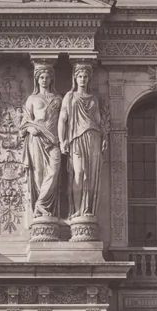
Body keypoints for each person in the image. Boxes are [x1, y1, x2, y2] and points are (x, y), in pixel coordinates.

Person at [58, 63, 107, 219]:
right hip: (76, 138)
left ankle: (87, 211)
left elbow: (99, 120)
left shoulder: (94, 98)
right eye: (80, 76)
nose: (83, 79)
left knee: (91, 176)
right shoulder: (70, 96)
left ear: (89, 79)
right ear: (75, 78)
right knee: (78, 173)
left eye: (85, 76)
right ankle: (77, 210)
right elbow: (62, 119)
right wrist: (62, 140)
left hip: (93, 137)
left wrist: (104, 137)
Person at [19, 65, 63, 219]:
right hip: (36, 139)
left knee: (54, 172)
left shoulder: (58, 99)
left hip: (54, 140)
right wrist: (30, 129)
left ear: (51, 79)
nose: (44, 80)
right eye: (41, 77)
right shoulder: (32, 99)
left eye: (47, 77)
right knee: (38, 174)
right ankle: (40, 208)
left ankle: (41, 203)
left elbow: (65, 121)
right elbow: (25, 121)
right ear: (37, 79)